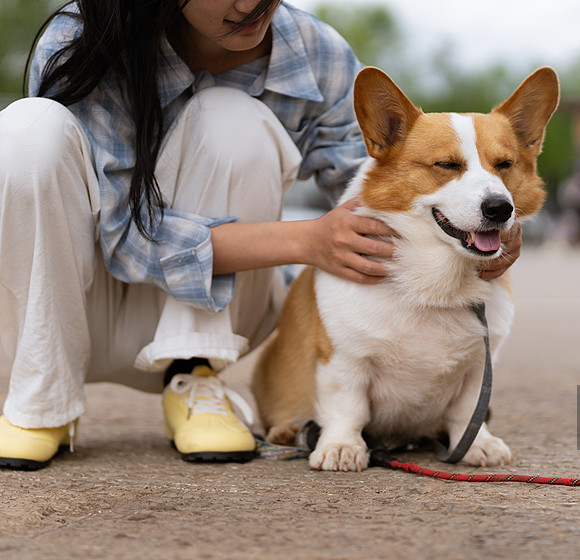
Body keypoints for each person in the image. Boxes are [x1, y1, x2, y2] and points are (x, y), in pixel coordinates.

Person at [0, 0, 522, 470]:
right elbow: (121, 234)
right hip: (75, 307)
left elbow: (377, 188)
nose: (250, 3)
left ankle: (195, 373)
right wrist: (305, 241)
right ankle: (40, 394)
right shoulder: (81, 38)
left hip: (221, 316)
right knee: (27, 128)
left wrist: (473, 223)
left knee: (231, 116)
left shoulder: (316, 51)